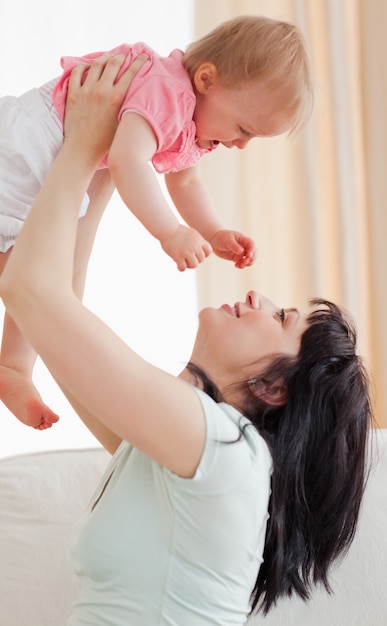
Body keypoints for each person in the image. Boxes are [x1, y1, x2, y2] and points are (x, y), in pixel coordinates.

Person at [0, 56, 373, 625]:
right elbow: (60, 315)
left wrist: (80, 145)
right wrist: (103, 161)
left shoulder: (225, 450)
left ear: (273, 387)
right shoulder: (191, 451)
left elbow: (32, 290)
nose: (257, 299)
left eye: (279, 318)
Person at [0, 15, 315, 430]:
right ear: (206, 80)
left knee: (39, 278)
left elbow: (186, 180)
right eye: (243, 129)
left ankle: (14, 368)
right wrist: (169, 231)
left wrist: (213, 231)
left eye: (251, 139)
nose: (240, 144)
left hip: (47, 176)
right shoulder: (167, 91)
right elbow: (128, 161)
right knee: (42, 279)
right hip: (25, 154)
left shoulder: (192, 123)